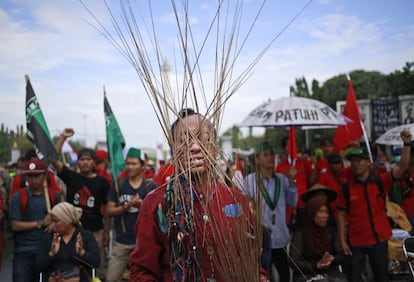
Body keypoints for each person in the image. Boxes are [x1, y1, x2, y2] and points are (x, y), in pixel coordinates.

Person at [129, 109, 269, 281]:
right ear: (172, 150)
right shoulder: (157, 203)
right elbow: (142, 271)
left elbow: (252, 261)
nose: (195, 147)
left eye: (203, 138)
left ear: (215, 148)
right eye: (184, 140)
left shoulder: (237, 200)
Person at [337, 129, 412, 282]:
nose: (356, 164)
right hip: (356, 242)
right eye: (353, 161)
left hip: (379, 239)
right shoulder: (346, 188)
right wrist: (342, 241)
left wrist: (407, 144)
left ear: (368, 162)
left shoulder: (379, 182)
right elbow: (341, 214)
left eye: (359, 160)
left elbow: (402, 167)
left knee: (381, 277)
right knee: (355, 278)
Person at [53, 129, 110, 281]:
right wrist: (62, 138)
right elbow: (53, 159)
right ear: (77, 162)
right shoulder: (71, 177)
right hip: (72, 232)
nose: (84, 162)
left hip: (95, 232)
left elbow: (107, 210)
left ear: (94, 162)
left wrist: (106, 232)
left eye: (88, 159)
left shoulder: (102, 182)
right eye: (81, 159)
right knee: (73, 270)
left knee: (96, 270)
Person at [245, 140, 298, 282]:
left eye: (272, 155)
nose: (270, 158)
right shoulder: (250, 181)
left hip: (280, 237)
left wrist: (293, 181)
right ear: (257, 159)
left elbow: (292, 202)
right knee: (264, 277)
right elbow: (244, 207)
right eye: (265, 155)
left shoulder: (282, 179)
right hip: (261, 240)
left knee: (284, 276)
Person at [106, 147, 157, 282]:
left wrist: (141, 206)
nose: (129, 167)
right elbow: (109, 211)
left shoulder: (150, 186)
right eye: (127, 163)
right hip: (122, 242)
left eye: (133, 164)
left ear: (143, 166)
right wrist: (126, 206)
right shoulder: (118, 185)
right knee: (111, 278)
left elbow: (158, 214)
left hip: (144, 243)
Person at [8, 159, 60, 282]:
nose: (33, 179)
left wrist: (54, 224)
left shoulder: (54, 196)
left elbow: (62, 221)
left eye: (37, 175)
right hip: (24, 252)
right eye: (30, 176)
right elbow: (15, 225)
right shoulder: (19, 197)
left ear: (45, 175)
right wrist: (41, 223)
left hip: (48, 251)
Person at [289, 190, 346, 282]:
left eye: (326, 212)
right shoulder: (300, 234)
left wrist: (331, 260)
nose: (325, 216)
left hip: (329, 271)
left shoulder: (330, 231)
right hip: (306, 274)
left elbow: (341, 254)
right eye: (321, 212)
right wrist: (316, 264)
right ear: (312, 213)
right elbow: (293, 262)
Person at [36, 202, 100, 282]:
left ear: (67, 221)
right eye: (52, 221)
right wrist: (51, 254)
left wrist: (82, 253)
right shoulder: (49, 238)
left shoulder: (85, 236)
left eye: (56, 221)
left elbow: (95, 262)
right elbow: (39, 267)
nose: (52, 225)